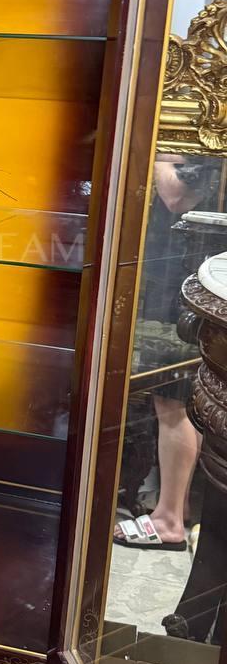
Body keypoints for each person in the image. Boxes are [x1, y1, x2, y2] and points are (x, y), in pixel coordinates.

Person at [115, 153, 215, 551]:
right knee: (178, 399)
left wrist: (155, 154)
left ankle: (169, 520)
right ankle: (176, 506)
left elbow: (176, 196)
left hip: (182, 280)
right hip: (184, 275)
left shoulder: (199, 133)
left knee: (173, 399)